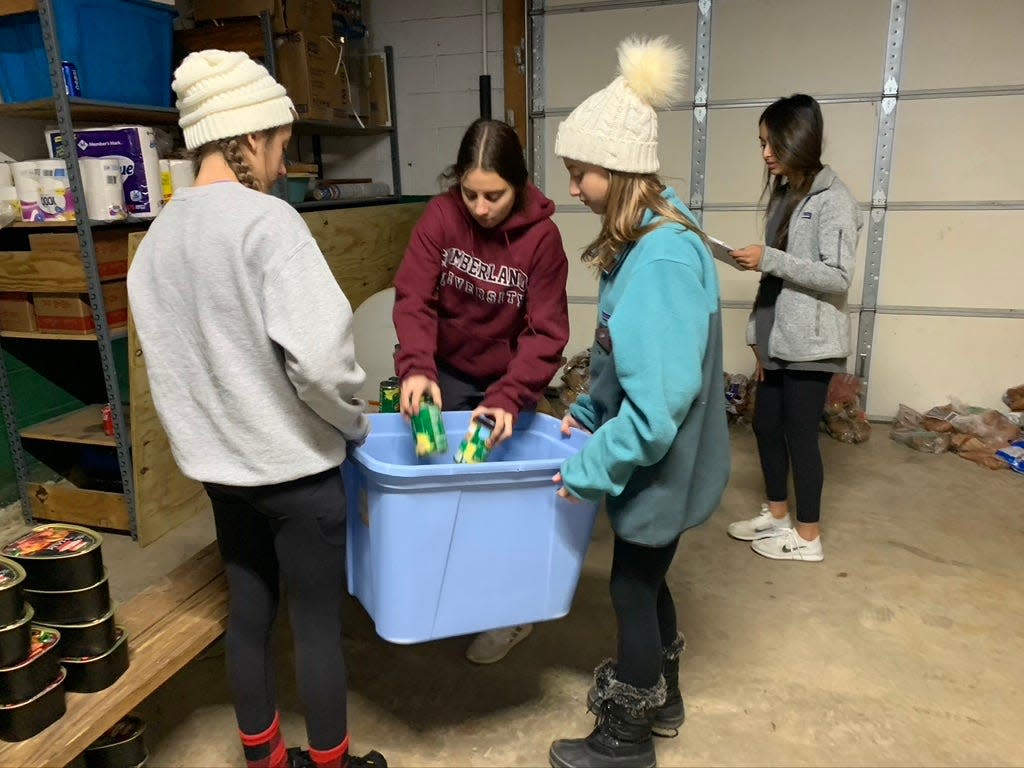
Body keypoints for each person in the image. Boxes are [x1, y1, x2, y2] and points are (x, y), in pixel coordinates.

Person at [128, 50, 385, 768]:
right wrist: (353, 425)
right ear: (244, 140)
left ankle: (266, 761)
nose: (281, 164)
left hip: (224, 477)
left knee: (247, 616)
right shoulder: (269, 226)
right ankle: (331, 764)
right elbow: (323, 365)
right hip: (299, 479)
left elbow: (177, 370)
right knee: (315, 628)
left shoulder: (156, 241)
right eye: (278, 145)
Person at [547, 36, 730, 768]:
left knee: (630, 587)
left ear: (619, 170)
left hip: (663, 464)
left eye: (579, 173)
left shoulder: (660, 260)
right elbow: (629, 357)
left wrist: (589, 468)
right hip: (663, 460)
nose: (573, 189)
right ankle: (667, 699)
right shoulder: (647, 234)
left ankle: (625, 740)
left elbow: (655, 415)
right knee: (646, 581)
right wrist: (589, 413)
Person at [392, 118, 570, 664]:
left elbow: (546, 332)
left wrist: (511, 395)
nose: (480, 207)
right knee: (440, 483)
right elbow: (413, 298)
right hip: (443, 373)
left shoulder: (542, 239)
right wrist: (416, 366)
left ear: (518, 186)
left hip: (507, 381)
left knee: (508, 504)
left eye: (494, 195)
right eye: (470, 192)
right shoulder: (441, 217)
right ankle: (445, 590)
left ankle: (511, 613)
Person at [726, 93, 861, 563]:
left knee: (800, 434)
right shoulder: (785, 195)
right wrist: (756, 339)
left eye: (772, 142)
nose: (765, 153)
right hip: (777, 338)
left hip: (812, 342)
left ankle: (807, 539)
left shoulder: (835, 200)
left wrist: (772, 258)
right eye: (761, 142)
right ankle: (779, 516)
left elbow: (837, 275)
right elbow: (773, 278)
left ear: (799, 139)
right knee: (765, 425)